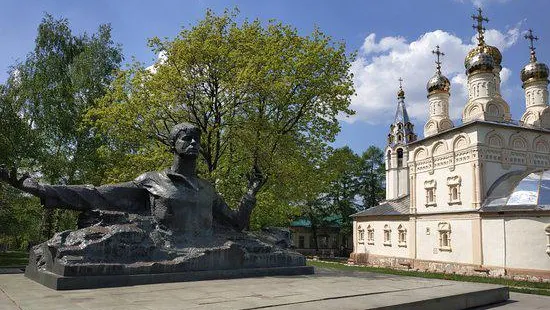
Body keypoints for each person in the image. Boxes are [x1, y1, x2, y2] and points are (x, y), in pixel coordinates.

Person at [0, 123, 264, 236]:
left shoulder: (208, 188)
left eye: (197, 139)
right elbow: (98, 194)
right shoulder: (153, 181)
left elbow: (236, 224)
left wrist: (250, 194)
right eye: (187, 138)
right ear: (173, 144)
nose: (194, 143)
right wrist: (39, 189)